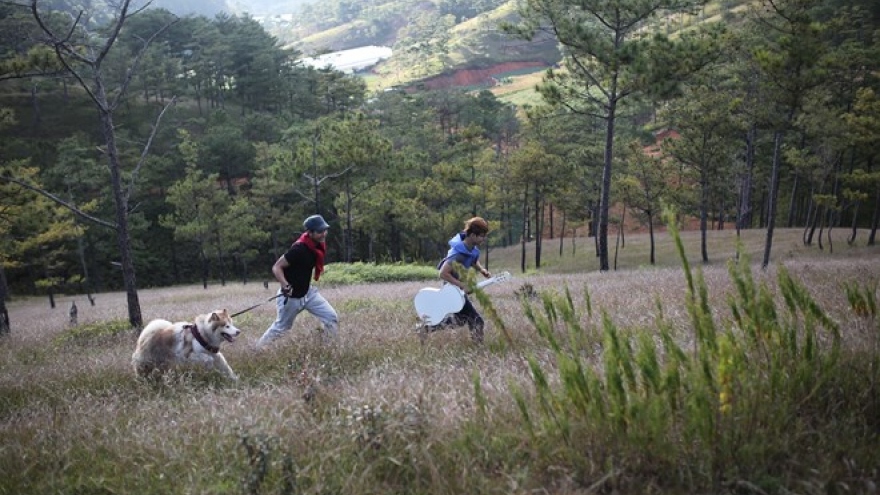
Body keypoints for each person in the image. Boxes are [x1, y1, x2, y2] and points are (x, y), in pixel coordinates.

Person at [257, 214, 338, 348]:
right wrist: (285, 285)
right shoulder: (299, 249)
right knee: (281, 328)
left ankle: (329, 348)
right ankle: (257, 350)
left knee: (331, 317)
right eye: (320, 231)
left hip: (308, 293)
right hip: (292, 297)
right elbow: (277, 267)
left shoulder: (317, 246)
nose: (324, 234)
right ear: (310, 232)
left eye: (325, 230)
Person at [426, 216, 492, 343]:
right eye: (482, 236)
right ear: (473, 235)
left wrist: (481, 270)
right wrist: (461, 285)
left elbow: (473, 259)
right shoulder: (458, 253)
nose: (484, 239)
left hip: (459, 288)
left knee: (461, 320)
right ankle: (478, 350)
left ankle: (426, 328)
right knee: (477, 321)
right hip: (452, 289)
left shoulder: (471, 248)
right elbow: (443, 273)